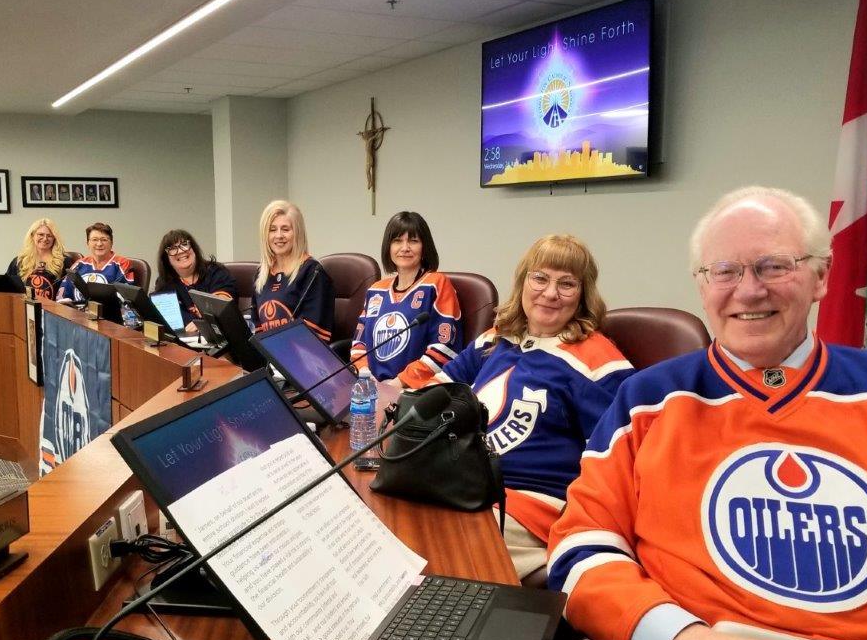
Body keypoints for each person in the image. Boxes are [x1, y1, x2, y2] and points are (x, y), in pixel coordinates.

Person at [547, 186, 867, 640]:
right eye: (725, 271)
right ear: (702, 285)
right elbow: (580, 549)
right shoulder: (648, 402)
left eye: (774, 266)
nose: (749, 290)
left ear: (821, 278)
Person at [434, 234, 633, 578]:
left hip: (528, 507)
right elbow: (435, 392)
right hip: (462, 486)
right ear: (523, 282)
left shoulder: (597, 361)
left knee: (435, 546)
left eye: (567, 284)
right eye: (540, 278)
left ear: (583, 294)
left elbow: (620, 460)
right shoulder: (497, 338)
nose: (550, 293)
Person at [351, 211, 462, 388]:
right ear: (388, 247)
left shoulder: (437, 284)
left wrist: (399, 383)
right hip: (370, 386)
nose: (405, 247)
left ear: (425, 248)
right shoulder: (376, 290)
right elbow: (359, 343)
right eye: (397, 241)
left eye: (413, 241)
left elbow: (444, 349)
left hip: (416, 391)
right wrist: (365, 374)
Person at [252, 200, 334, 339]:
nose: (279, 235)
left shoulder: (313, 273)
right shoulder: (261, 275)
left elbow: (313, 337)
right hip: (268, 357)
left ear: (298, 233)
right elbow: (258, 330)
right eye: (272, 230)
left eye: (285, 229)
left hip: (301, 357)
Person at [152, 229, 237, 332]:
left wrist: (203, 323)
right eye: (173, 248)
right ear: (166, 259)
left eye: (184, 244)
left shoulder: (216, 272)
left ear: (193, 249)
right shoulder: (164, 283)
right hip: (182, 342)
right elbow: (162, 320)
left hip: (218, 338)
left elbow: (222, 305)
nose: (181, 251)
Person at [56, 222, 134, 301]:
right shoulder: (79, 264)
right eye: (94, 240)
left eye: (104, 240)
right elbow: (62, 294)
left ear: (111, 243)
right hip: (77, 311)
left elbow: (125, 297)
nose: (99, 244)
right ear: (88, 243)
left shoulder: (122, 263)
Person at [6, 218, 73, 300]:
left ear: (54, 239)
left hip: (53, 310)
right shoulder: (19, 261)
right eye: (40, 235)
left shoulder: (64, 262)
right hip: (23, 309)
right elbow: (7, 289)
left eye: (49, 236)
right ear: (32, 236)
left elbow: (70, 292)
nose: (45, 239)